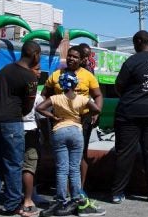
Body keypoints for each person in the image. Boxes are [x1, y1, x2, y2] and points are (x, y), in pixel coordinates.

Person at [110, 31, 148, 204]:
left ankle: (117, 193)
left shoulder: (132, 61)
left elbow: (119, 86)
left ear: (138, 42)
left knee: (125, 153)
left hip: (130, 112)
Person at [0, 41, 40, 217]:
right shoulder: (30, 78)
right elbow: (29, 106)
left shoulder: (6, 69)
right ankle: (13, 204)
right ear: (35, 55)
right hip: (10, 120)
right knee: (13, 163)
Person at [37, 72, 105, 217]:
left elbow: (40, 108)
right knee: (74, 169)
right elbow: (97, 109)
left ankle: (60, 200)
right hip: (76, 132)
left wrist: (53, 116)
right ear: (75, 85)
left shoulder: (55, 98)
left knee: (62, 169)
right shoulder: (82, 98)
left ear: (61, 85)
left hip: (59, 131)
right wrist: (83, 115)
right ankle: (75, 199)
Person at [41, 45, 103, 188]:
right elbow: (44, 94)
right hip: (60, 120)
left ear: (81, 60)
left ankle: (79, 189)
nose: (71, 58)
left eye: (75, 57)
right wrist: (49, 113)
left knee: (80, 154)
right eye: (69, 55)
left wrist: (96, 111)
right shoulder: (56, 75)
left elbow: (98, 95)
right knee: (62, 155)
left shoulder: (88, 76)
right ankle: (65, 189)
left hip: (83, 119)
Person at [21, 92, 44, 215]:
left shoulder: (9, 92)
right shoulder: (35, 95)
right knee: (30, 166)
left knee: (15, 165)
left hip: (12, 129)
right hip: (30, 130)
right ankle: (29, 199)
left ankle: (14, 198)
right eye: (37, 70)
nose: (39, 72)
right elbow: (42, 117)